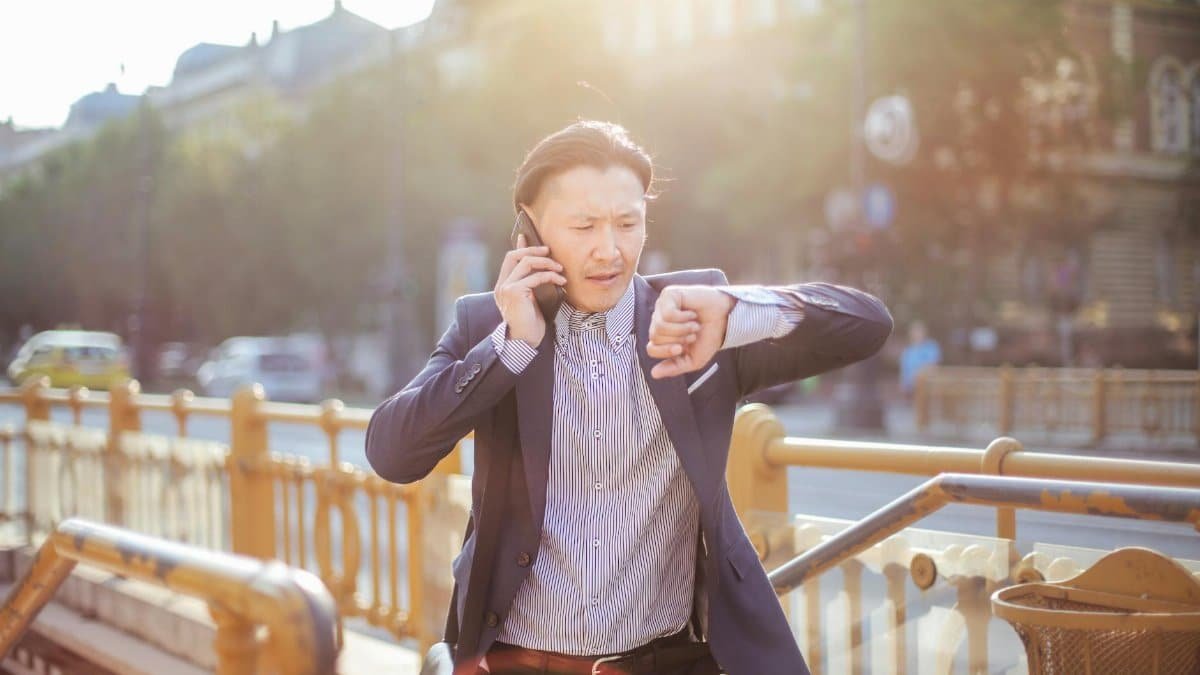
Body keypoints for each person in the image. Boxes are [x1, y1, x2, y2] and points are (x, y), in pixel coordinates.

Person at [366, 121, 892, 675]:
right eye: (584, 225)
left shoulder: (692, 318)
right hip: (518, 660)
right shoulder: (487, 324)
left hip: (666, 661)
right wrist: (511, 346)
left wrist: (738, 311)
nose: (609, 250)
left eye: (627, 223)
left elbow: (867, 326)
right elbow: (392, 454)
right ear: (530, 227)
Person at [899, 320, 940, 397]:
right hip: (911, 389)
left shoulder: (931, 346)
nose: (917, 333)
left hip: (928, 387)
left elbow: (933, 365)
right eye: (915, 331)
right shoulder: (907, 351)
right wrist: (903, 385)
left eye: (919, 331)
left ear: (924, 332)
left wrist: (918, 376)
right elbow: (904, 372)